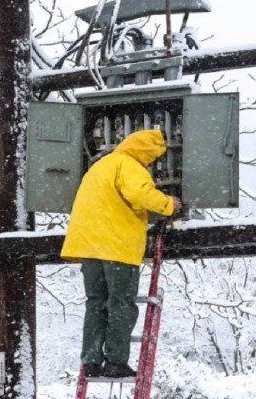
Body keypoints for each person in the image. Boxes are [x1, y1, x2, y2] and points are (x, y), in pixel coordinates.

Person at [60, 129, 182, 379]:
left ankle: (91, 361)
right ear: (145, 152)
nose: (152, 162)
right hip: (116, 246)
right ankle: (116, 361)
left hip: (88, 247)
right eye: (153, 156)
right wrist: (169, 204)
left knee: (96, 304)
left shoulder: (100, 166)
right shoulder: (129, 165)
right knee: (121, 304)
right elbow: (140, 194)